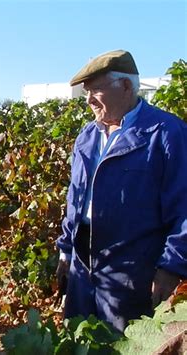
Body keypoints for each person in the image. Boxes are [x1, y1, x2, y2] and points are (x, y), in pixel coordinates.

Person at [56, 49, 187, 332]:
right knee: (78, 339)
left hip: (133, 270)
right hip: (83, 265)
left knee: (121, 343)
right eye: (86, 92)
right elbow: (75, 199)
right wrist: (66, 250)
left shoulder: (166, 133)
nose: (89, 100)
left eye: (96, 90)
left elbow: (184, 207)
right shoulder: (87, 136)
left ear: (126, 86)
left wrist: (172, 266)